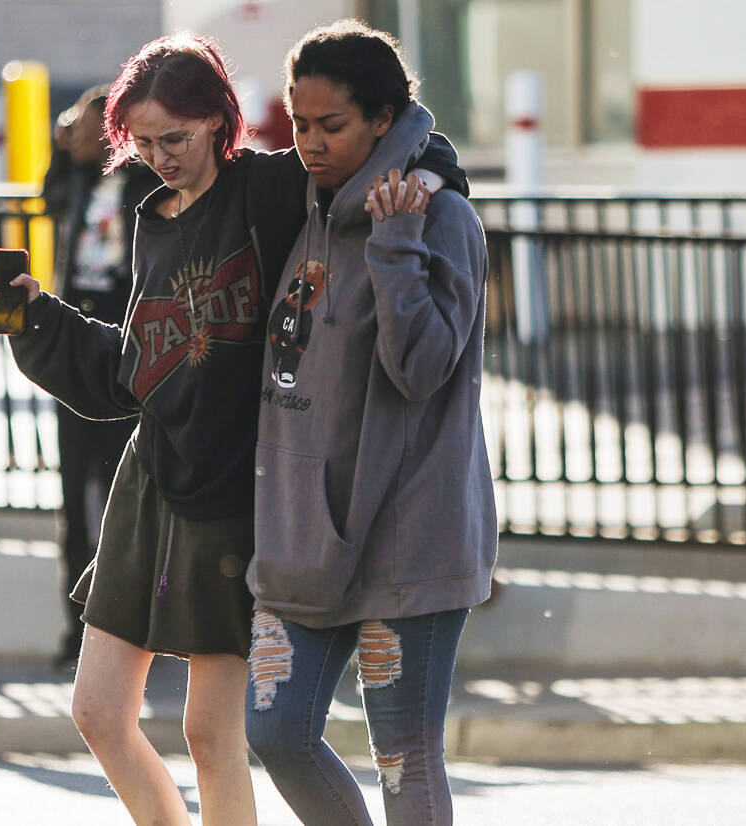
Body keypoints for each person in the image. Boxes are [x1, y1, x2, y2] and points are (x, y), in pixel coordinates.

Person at [0, 32, 466, 825]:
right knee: (98, 713)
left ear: (218, 123)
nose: (161, 156)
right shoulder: (154, 218)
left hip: (240, 491)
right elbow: (135, 371)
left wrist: (436, 173)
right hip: (152, 483)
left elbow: (386, 139)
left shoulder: (268, 190)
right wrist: (35, 317)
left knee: (213, 733)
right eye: (142, 142)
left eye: (177, 137)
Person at [243, 20, 496, 826]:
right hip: (303, 540)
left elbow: (418, 370)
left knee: (402, 761)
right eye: (299, 123)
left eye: (331, 126)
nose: (309, 143)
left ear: (383, 119)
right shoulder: (307, 207)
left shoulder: (439, 217)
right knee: (277, 731)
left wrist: (395, 243)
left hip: (405, 538)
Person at [41, 85, 155, 669]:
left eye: (84, 126)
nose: (73, 133)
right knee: (73, 496)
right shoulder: (80, 182)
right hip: (78, 347)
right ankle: (75, 627)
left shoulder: (141, 184)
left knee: (122, 496)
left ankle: (132, 624)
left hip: (125, 351)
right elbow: (49, 198)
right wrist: (61, 152)